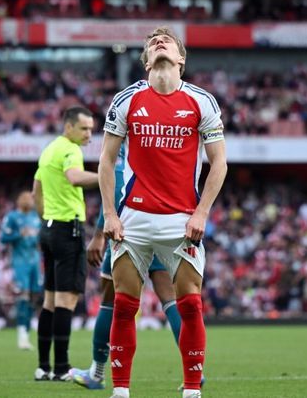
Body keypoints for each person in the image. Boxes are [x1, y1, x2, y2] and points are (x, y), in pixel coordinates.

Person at [99, 27, 227, 398]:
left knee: (190, 305)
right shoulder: (126, 100)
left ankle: (192, 390)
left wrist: (201, 213)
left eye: (166, 41)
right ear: (145, 61)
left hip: (182, 220)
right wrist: (110, 214)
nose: (159, 43)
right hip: (133, 219)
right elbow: (106, 160)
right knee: (124, 305)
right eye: (152, 43)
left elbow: (219, 163)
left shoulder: (202, 102)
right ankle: (120, 391)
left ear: (181, 59)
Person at [70, 143, 186, 391]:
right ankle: (193, 370)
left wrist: (99, 235)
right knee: (170, 300)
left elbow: (113, 193)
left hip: (128, 232)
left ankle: (96, 373)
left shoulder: (121, 153)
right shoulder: (152, 148)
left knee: (111, 300)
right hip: (160, 227)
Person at [32, 106, 99, 381]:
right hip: (67, 230)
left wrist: (46, 218)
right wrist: (107, 176)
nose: (88, 134)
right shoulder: (71, 150)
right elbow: (74, 177)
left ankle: (43, 367)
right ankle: (61, 368)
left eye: (91, 129)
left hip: (49, 229)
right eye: (84, 128)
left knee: (50, 301)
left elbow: (36, 191)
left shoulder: (49, 149)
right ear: (68, 126)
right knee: (66, 301)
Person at [0, 190, 42, 350]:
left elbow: (40, 238)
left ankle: (27, 331)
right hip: (20, 262)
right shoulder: (12, 217)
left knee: (34, 296)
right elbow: (3, 238)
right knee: (23, 296)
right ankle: (22, 334)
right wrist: (19, 234)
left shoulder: (35, 217)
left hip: (35, 261)